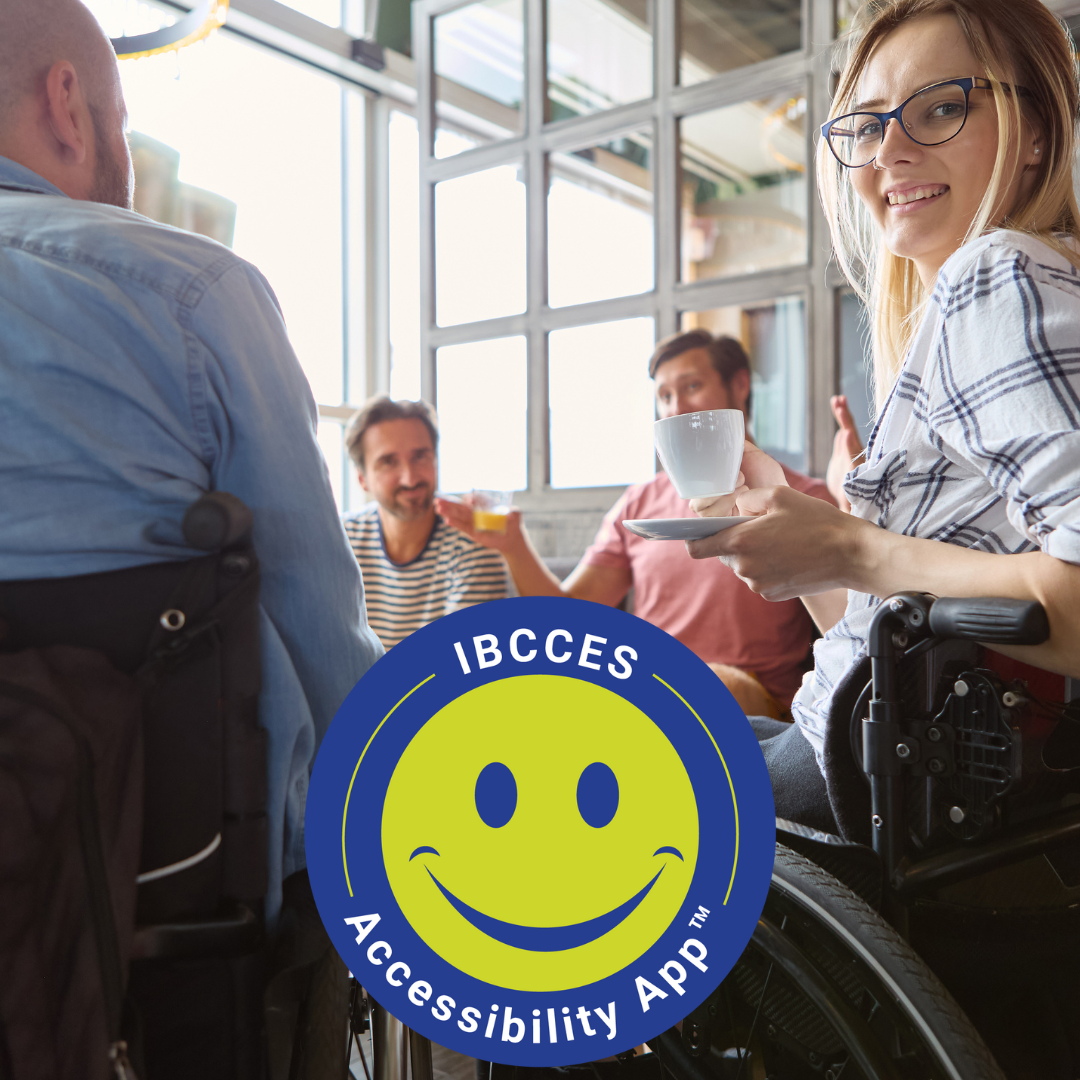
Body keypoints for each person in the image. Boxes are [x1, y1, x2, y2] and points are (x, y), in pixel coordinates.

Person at [0, 0, 383, 928]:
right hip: (174, 915)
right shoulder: (190, 293)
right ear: (66, 104)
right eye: (120, 120)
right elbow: (323, 649)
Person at [684, 0, 1080, 836]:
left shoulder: (994, 277)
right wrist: (810, 549)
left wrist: (849, 544)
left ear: (1038, 132)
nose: (889, 151)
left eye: (940, 108)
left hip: (866, 793)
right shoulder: (1029, 290)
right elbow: (891, 647)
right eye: (866, 126)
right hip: (859, 748)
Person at [436, 331, 835, 715]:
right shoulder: (638, 504)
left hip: (755, 697)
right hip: (649, 691)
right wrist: (513, 546)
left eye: (692, 386)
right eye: (664, 396)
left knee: (712, 685)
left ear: (740, 385)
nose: (676, 407)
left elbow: (849, 618)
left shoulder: (803, 498)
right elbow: (570, 613)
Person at [343, 396, 510, 650]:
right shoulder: (342, 541)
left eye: (420, 456)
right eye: (388, 462)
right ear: (362, 479)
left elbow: (464, 660)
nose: (409, 479)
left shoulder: (474, 541)